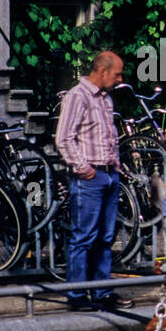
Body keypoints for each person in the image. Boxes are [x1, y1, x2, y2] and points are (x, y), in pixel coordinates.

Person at [54, 51, 133, 311]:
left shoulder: (105, 99)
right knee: (84, 236)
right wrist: (83, 168)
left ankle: (101, 292)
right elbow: (64, 137)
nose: (119, 78)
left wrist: (115, 168)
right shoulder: (78, 96)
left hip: (108, 173)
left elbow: (108, 136)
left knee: (105, 236)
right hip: (89, 176)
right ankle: (76, 296)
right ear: (102, 71)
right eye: (117, 73)